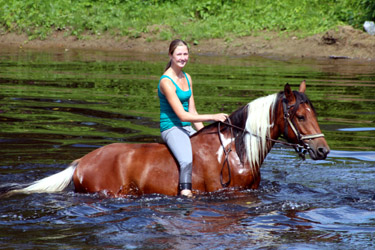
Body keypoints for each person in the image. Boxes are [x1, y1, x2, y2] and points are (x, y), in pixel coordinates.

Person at [157, 39, 228, 198]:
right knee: (186, 161)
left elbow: (192, 111)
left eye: (185, 54)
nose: (183, 58)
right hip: (172, 127)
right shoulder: (166, 82)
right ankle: (185, 193)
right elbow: (182, 115)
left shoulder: (187, 77)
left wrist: (205, 133)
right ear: (170, 55)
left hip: (187, 127)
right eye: (179, 54)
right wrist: (213, 117)